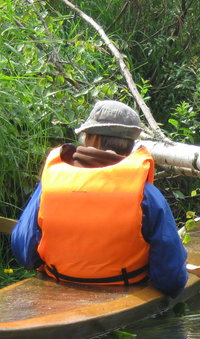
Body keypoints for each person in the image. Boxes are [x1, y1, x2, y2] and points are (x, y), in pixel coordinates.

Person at [10, 100, 188, 297]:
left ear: (92, 139)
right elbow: (170, 276)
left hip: (59, 280)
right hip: (125, 285)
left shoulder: (51, 182)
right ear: (130, 145)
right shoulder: (146, 194)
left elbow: (23, 248)